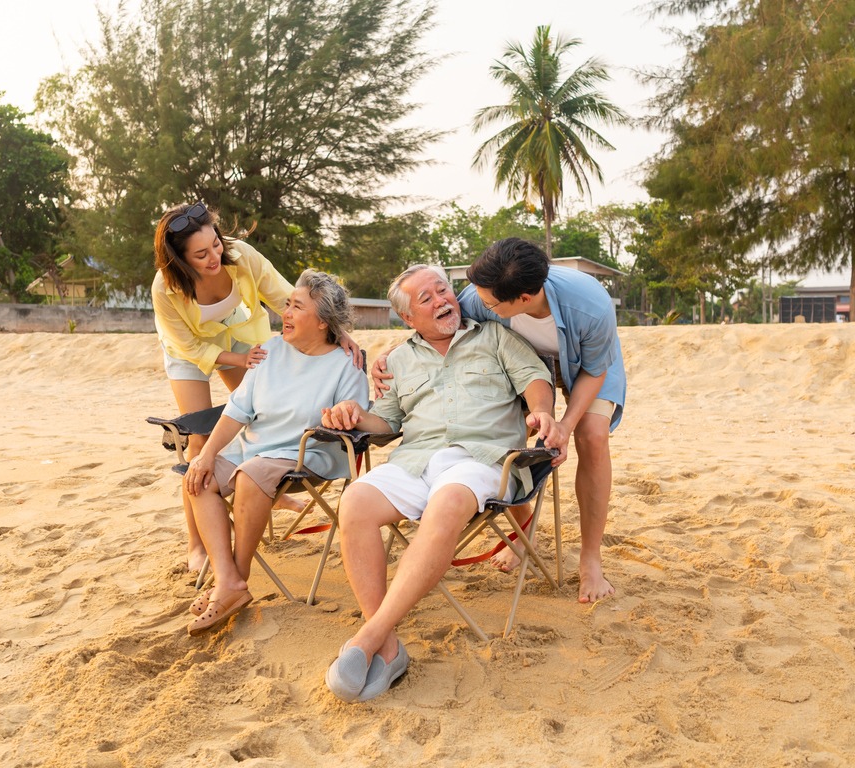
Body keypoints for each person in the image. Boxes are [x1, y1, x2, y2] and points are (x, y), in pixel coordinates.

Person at [319, 264, 556, 702]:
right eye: (425, 299)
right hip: (417, 459)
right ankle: (388, 647)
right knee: (354, 501)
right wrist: (352, 412)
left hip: (482, 459)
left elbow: (535, 380)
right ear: (408, 318)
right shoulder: (399, 361)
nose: (441, 301)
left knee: (447, 502)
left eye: (442, 290)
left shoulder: (494, 338)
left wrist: (542, 411)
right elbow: (386, 423)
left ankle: (369, 639)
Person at [373, 238, 626, 603]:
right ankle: (523, 533)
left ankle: (590, 560)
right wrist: (394, 351)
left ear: (523, 299)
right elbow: (439, 318)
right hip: (522, 362)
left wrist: (566, 426)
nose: (477, 301)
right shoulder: (484, 294)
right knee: (506, 429)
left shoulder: (590, 304)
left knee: (592, 436)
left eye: (488, 302)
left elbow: (596, 370)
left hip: (586, 365)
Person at [152, 202, 359, 572]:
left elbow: (287, 298)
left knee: (256, 416)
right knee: (199, 440)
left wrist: (338, 332)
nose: (215, 256)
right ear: (180, 260)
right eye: (201, 254)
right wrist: (238, 362)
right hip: (193, 352)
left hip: (245, 337)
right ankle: (196, 544)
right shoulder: (165, 289)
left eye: (215, 244)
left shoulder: (241, 255)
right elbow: (192, 347)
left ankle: (259, 482)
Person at [181, 270, 368, 635]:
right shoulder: (271, 350)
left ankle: (236, 578)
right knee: (198, 478)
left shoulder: (347, 365)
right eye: (288, 304)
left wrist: (343, 416)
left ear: (322, 322)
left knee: (251, 475)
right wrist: (205, 456)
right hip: (254, 448)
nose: (287, 312)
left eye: (297, 306)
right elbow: (237, 410)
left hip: (307, 453)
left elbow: (355, 420)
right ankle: (228, 579)